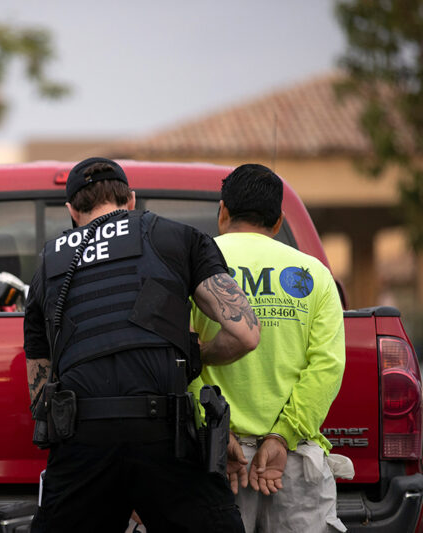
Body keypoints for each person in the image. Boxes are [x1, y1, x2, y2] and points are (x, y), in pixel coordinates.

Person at [24, 157, 261, 533]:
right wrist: (196, 356)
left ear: (71, 210)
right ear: (130, 200)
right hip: (164, 434)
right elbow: (246, 333)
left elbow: (39, 394)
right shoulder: (176, 236)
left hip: (83, 442)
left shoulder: (47, 266)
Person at [190, 163, 347, 533]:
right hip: (293, 462)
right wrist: (283, 434)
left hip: (216, 458)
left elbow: (178, 357)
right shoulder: (315, 275)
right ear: (277, 223)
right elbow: (327, 366)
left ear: (223, 211)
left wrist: (217, 430)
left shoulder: (192, 266)